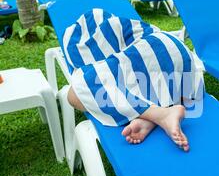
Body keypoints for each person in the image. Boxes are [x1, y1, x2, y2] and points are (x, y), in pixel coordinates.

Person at [64, 9, 204, 152]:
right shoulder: (133, 28)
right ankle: (153, 117)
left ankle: (160, 114)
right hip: (181, 53)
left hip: (153, 49)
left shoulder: (104, 38)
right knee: (161, 83)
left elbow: (92, 77)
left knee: (75, 94)